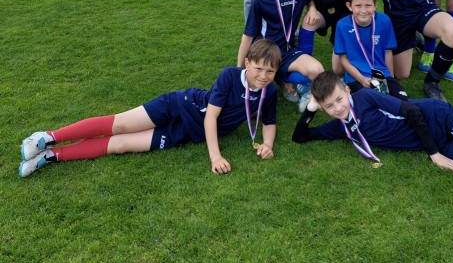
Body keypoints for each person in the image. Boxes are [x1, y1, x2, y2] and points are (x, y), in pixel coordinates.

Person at [20, 39, 281, 178]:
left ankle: (51, 156)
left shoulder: (269, 91)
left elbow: (269, 121)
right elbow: (211, 117)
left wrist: (268, 143)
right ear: (247, 62)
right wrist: (215, 157)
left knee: (121, 145)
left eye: (270, 72)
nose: (263, 76)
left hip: (186, 132)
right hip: (179, 105)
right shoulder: (229, 75)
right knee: (121, 124)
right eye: (258, 68)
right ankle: (48, 137)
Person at [292, 72, 453, 177]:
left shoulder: (365, 97)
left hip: (439, 118)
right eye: (329, 106)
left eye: (339, 99)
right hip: (439, 143)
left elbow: (412, 112)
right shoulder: (340, 127)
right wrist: (310, 109)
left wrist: (434, 155)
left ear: (347, 91)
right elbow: (300, 137)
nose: (338, 108)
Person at [237, 0, 324, 111]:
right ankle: (278, 79)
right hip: (265, 53)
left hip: (288, 52)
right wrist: (239, 68)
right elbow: (248, 35)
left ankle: (304, 92)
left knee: (317, 70)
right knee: (256, 102)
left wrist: (312, 8)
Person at [334, 0, 407, 99]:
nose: (363, 10)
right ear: (349, 6)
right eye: (358, 6)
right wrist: (361, 79)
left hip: (381, 74)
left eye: (368, 5)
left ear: (375, 5)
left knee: (401, 100)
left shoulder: (384, 21)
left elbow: (387, 52)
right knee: (370, 102)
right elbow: (343, 58)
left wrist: (391, 78)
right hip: (356, 77)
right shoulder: (342, 25)